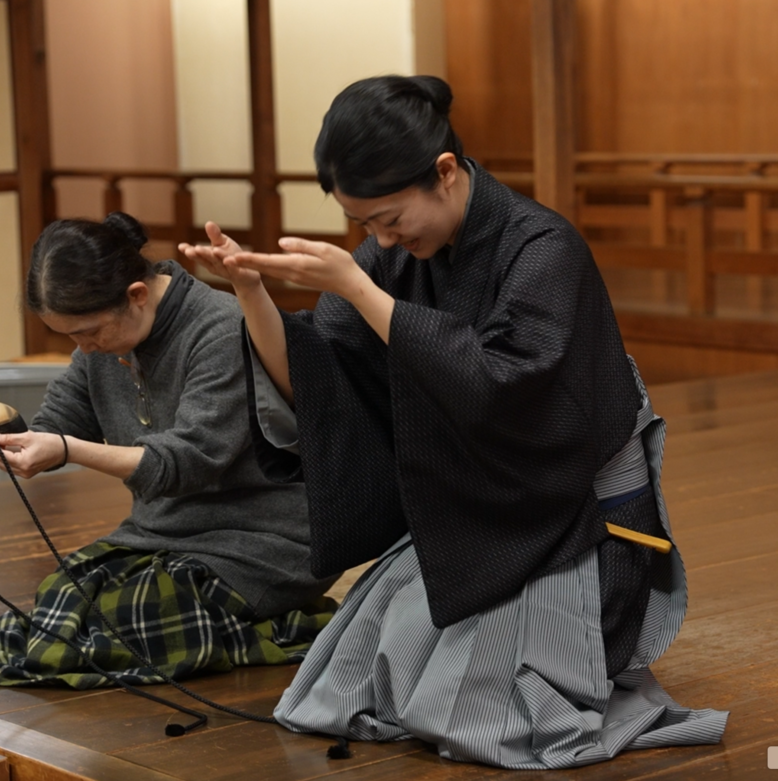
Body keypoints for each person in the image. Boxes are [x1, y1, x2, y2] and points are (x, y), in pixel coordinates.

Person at [180, 76, 727, 769]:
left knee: (479, 721)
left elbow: (504, 392)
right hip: (477, 508)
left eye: (389, 218)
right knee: (336, 692)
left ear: (444, 172)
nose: (382, 239)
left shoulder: (543, 246)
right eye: (365, 226)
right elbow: (323, 377)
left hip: (568, 518)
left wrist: (357, 287)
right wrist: (251, 294)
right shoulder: (389, 257)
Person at [0, 212, 337, 689]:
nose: (85, 348)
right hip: (162, 535)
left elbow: (186, 462)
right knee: (63, 599)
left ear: (136, 295)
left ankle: (291, 623)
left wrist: (67, 450)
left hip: (264, 542)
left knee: (121, 622)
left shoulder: (219, 328)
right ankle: (243, 627)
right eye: (72, 337)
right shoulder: (104, 339)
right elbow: (57, 422)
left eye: (89, 332)